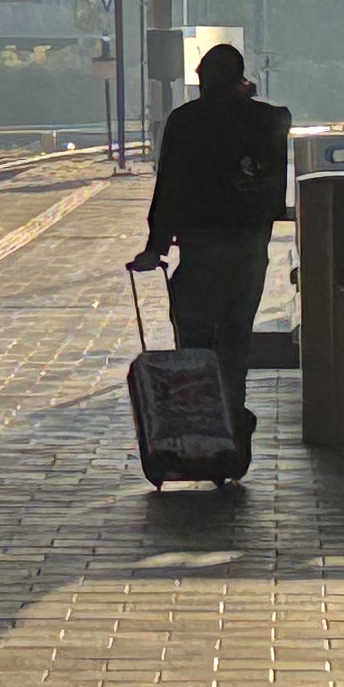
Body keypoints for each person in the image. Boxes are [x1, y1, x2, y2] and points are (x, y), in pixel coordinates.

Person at [128, 43, 292, 439]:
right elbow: (273, 189)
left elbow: (169, 188)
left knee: (194, 341)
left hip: (199, 251)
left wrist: (155, 247)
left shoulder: (185, 121)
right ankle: (231, 420)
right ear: (240, 78)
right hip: (249, 251)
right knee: (235, 340)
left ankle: (200, 423)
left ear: (204, 78)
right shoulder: (270, 119)